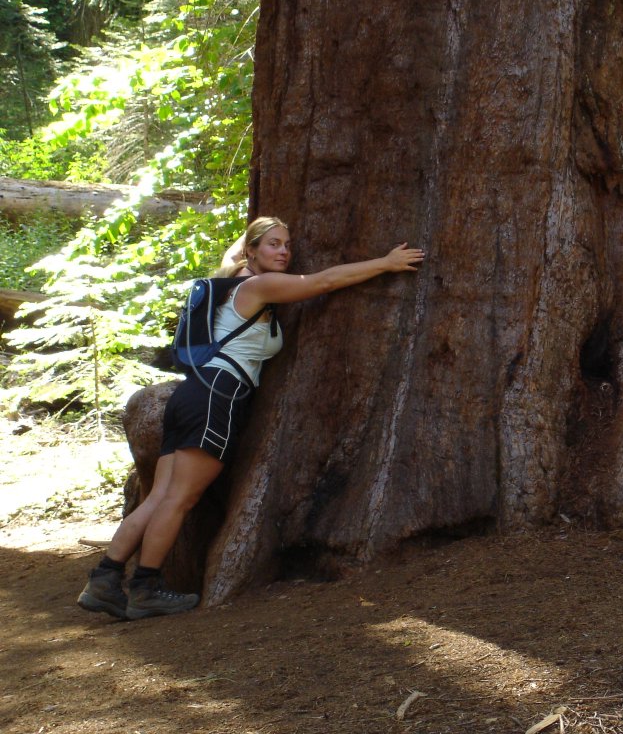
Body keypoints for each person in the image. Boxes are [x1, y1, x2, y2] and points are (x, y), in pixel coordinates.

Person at [77, 216, 424, 620]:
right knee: (178, 498)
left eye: (287, 245)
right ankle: (145, 587)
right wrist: (384, 263)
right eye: (274, 244)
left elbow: (265, 268)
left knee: (159, 496)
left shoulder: (235, 283)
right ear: (251, 251)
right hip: (215, 397)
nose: (283, 252)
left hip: (194, 394)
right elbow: (322, 282)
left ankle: (104, 580)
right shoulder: (257, 286)